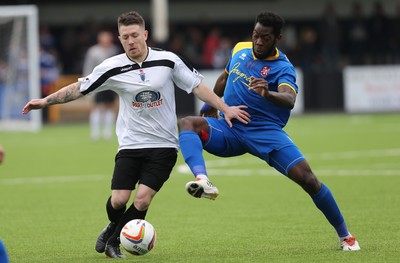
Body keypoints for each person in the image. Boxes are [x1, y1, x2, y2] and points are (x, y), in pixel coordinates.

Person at [22, 11, 249, 258]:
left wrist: (225, 108)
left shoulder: (168, 60)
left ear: (145, 34)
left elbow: (198, 87)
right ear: (120, 39)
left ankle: (114, 242)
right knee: (119, 200)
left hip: (164, 145)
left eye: (134, 35)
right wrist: (45, 101)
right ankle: (113, 228)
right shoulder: (112, 67)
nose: (130, 41)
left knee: (141, 201)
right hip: (130, 144)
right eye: (125, 37)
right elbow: (79, 88)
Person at [178, 11, 360, 251]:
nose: (259, 41)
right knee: (187, 124)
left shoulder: (283, 67)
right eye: (256, 35)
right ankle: (203, 180)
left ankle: (345, 236)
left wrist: (267, 93)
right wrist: (211, 104)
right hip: (230, 127)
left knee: (309, 180)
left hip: (265, 133)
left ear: (278, 39)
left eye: (265, 37)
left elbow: (289, 98)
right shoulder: (240, 49)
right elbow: (225, 77)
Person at [82, 30, 119, 141]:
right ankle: (95, 133)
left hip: (111, 83)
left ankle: (107, 133)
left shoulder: (114, 50)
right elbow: (88, 67)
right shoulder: (93, 51)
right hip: (97, 83)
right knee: (97, 107)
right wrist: (86, 82)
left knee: (110, 107)